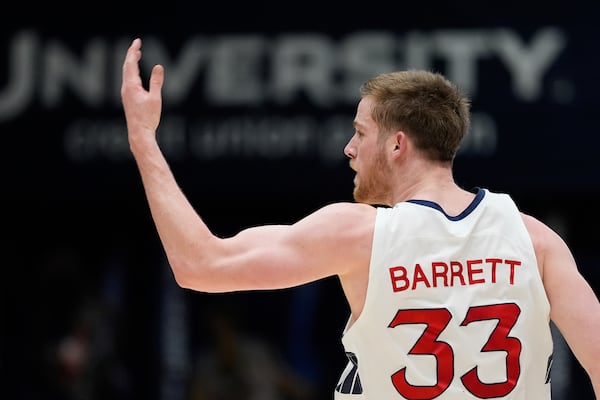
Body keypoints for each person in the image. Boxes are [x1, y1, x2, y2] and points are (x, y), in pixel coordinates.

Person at [121, 38, 600, 399]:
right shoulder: (534, 239)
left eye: (360, 133)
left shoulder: (360, 234)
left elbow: (199, 265)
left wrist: (143, 139)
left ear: (396, 145)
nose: (349, 149)